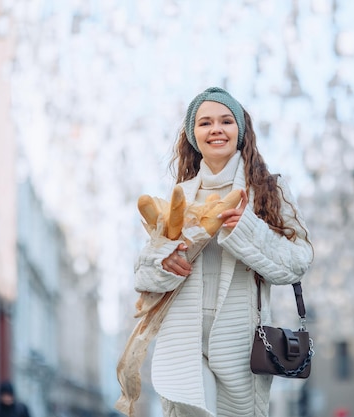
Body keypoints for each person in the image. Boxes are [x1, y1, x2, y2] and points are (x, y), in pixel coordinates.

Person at [133, 87, 313, 417]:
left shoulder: (267, 191)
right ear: (193, 135)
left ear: (239, 131)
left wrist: (246, 227)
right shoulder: (178, 198)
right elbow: (143, 274)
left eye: (226, 121)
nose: (216, 129)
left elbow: (298, 262)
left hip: (241, 344)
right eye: (205, 123)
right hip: (182, 339)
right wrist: (164, 260)